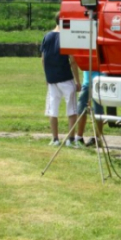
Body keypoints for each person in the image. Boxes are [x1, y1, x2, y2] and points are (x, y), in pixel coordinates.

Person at [41, 12, 81, 147]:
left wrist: (47, 77)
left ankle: (55, 139)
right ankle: (70, 139)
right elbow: (73, 60)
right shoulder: (66, 37)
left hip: (52, 79)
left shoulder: (47, 37)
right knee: (72, 110)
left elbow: (43, 59)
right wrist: (77, 81)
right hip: (66, 78)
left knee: (53, 109)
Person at [75, 70, 103, 147]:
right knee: (81, 108)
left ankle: (97, 139)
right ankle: (79, 137)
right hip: (87, 82)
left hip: (100, 80)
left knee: (98, 110)